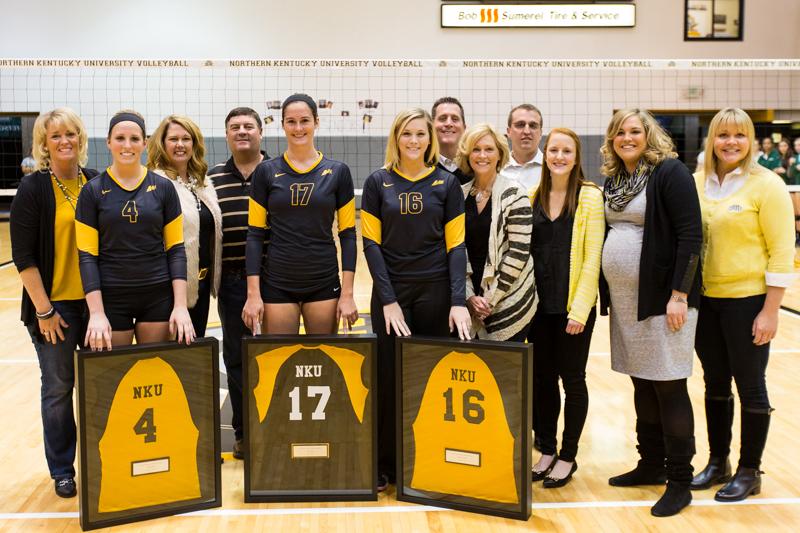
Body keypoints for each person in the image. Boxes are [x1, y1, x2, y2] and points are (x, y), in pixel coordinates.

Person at [600, 108, 702, 517]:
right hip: (629, 302)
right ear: (611, 138)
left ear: (648, 135)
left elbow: (691, 235)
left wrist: (679, 293)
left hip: (664, 298)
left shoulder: (670, 172)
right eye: (620, 132)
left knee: (669, 386)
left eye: (635, 131)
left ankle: (680, 480)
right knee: (642, 384)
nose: (627, 137)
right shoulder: (616, 180)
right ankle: (650, 464)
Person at [361, 108, 471, 491]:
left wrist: (458, 300)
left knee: (429, 378)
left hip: (435, 292)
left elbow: (456, 246)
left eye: (420, 134)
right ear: (396, 137)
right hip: (392, 295)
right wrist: (388, 299)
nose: (413, 140)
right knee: (388, 377)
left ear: (430, 139)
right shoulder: (378, 182)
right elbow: (371, 244)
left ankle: (426, 457)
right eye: (407, 134)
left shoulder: (446, 183)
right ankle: (385, 463)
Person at [691, 108, 795, 502]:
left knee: (751, 386)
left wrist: (771, 310)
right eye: (723, 135)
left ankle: (750, 470)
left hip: (748, 303)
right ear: (712, 140)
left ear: (751, 140)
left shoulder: (767, 185)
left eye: (739, 135)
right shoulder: (697, 182)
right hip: (707, 302)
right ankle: (718, 463)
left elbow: (782, 252)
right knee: (714, 383)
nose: (730, 142)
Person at [10, 108, 98, 498]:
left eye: (70, 134)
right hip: (55, 309)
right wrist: (43, 311)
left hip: (95, 306)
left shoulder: (95, 182)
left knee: (99, 384)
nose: (64, 141)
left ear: (81, 138)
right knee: (60, 388)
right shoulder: (33, 189)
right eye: (56, 136)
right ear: (44, 144)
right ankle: (63, 468)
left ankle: (104, 460)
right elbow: (23, 258)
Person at [75, 110, 194, 350]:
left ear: (145, 143)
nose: (127, 145)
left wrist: (180, 306)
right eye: (120, 138)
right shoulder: (91, 191)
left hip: (157, 295)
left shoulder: (163, 188)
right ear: (108, 142)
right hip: (111, 297)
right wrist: (96, 313)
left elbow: (176, 250)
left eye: (134, 139)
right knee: (115, 376)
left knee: (152, 370)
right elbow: (87, 256)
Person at [243, 94, 358, 334]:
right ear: (282, 124)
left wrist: (347, 294)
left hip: (323, 280)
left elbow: (348, 235)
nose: (298, 128)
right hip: (277, 282)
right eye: (291, 121)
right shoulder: (265, 172)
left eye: (304, 120)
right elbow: (254, 235)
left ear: (316, 122)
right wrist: (253, 294)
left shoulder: (338, 172)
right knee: (280, 361)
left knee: (323, 360)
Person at [529, 128, 605, 488]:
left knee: (572, 380)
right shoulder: (534, 196)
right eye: (554, 150)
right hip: (538, 309)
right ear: (545, 154)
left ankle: (568, 455)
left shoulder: (590, 197)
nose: (559, 156)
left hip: (573, 309)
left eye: (567, 151)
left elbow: (593, 258)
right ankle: (546, 449)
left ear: (576, 157)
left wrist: (581, 309)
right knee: (542, 380)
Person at [207, 107, 267, 459]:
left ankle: (275, 426)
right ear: (227, 134)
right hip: (231, 283)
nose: (242, 132)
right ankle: (244, 432)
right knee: (236, 359)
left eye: (248, 126)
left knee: (273, 357)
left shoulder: (278, 171)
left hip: (274, 282)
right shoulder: (212, 177)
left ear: (261, 132)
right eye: (235, 127)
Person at [455, 123, 534, 341]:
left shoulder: (515, 194)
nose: (482, 155)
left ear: (500, 154)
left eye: (489, 149)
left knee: (506, 372)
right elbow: (455, 248)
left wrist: (490, 299)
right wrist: (470, 296)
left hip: (508, 297)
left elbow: (518, 253)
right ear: (468, 154)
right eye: (476, 149)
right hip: (469, 294)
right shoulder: (459, 195)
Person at [147, 115, 222, 337]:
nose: (180, 144)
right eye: (173, 139)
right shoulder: (154, 184)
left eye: (186, 138)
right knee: (173, 359)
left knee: (193, 356)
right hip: (169, 289)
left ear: (194, 143)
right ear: (162, 143)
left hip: (201, 286)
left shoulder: (203, 183)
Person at [500, 103, 545, 193]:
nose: (527, 131)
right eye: (520, 125)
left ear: (540, 133)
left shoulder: (551, 169)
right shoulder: (497, 168)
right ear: (508, 132)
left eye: (533, 126)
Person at [432, 96, 469, 184]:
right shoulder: (422, 165)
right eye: (442, 118)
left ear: (464, 127)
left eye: (455, 119)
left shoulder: (475, 165)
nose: (449, 123)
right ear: (431, 126)